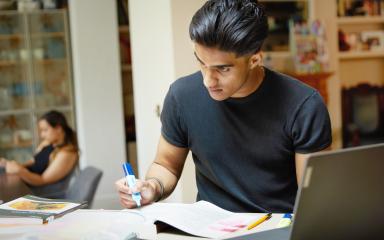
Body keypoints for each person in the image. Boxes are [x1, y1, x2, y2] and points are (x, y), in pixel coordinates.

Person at [116, 0, 332, 213]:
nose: (208, 81)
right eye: (201, 63)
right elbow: (166, 165)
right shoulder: (181, 96)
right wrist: (151, 187)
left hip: (277, 228)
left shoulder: (303, 105)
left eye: (223, 69)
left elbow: (314, 198)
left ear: (255, 59)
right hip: (209, 230)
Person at [0, 110, 79, 198]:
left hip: (35, 191)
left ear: (58, 128)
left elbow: (42, 180)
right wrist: (11, 165)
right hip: (24, 181)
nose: (42, 135)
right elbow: (32, 161)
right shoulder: (48, 143)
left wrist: (19, 170)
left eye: (45, 130)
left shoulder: (67, 154)